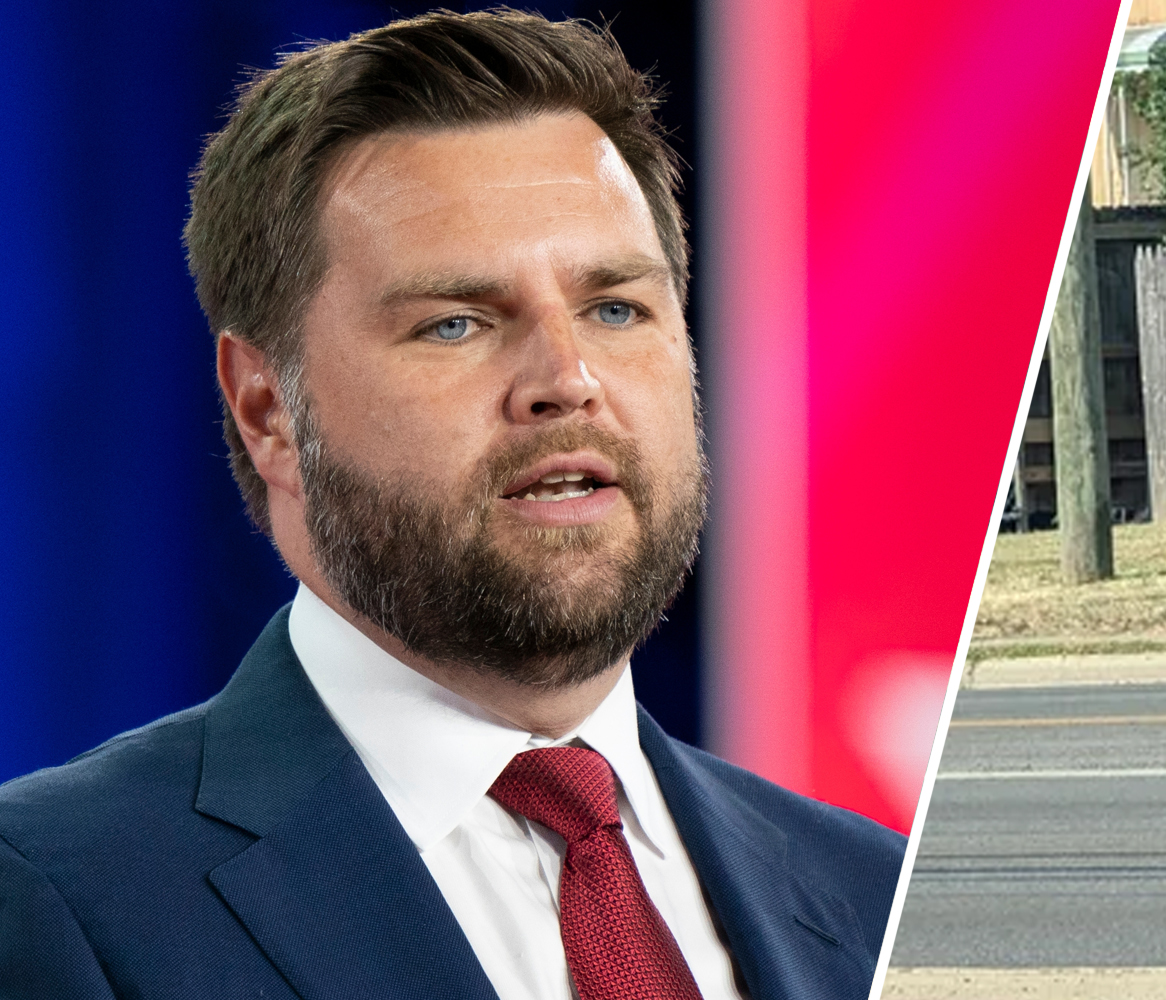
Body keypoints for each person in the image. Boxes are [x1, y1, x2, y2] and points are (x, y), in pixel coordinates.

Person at [0, 12, 901, 1000]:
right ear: (268, 411)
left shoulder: (870, 885)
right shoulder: (57, 898)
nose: (568, 379)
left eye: (614, 307)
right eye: (456, 322)